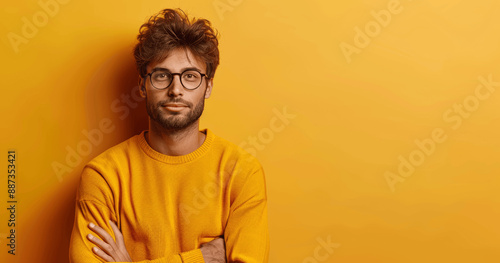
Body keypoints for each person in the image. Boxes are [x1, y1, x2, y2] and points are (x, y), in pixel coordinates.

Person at [69, 8, 270, 263]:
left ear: (207, 86)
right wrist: (203, 258)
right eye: (162, 75)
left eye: (190, 76)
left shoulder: (242, 173)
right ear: (143, 85)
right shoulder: (103, 176)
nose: (176, 90)